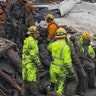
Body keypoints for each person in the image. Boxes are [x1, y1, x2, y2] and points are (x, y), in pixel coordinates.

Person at [47, 27, 76, 95]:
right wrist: (72, 71)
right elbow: (67, 62)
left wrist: (53, 40)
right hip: (61, 71)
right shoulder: (66, 47)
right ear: (65, 36)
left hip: (53, 69)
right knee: (60, 90)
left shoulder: (53, 44)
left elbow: (48, 47)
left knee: (53, 87)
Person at [22, 25, 44, 96]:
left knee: (26, 82)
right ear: (32, 33)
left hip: (25, 64)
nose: (37, 35)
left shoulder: (27, 40)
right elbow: (34, 55)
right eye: (36, 33)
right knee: (33, 81)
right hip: (31, 65)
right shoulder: (32, 42)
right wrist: (39, 64)